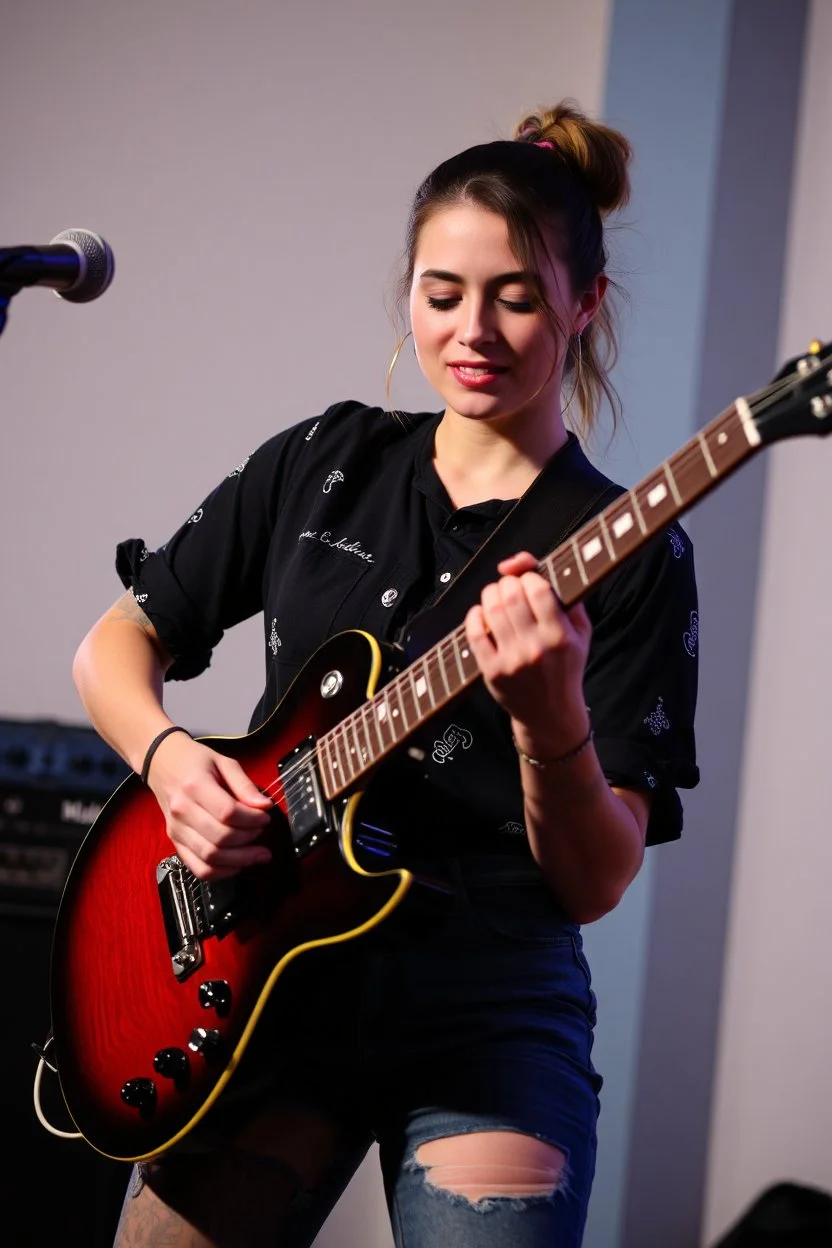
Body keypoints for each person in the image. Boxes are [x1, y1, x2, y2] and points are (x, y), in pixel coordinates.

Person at [72, 101, 699, 1248]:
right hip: (262, 987)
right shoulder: (324, 460)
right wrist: (170, 766)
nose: (472, 330)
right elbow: (115, 645)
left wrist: (548, 718)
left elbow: (597, 878)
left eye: (515, 296)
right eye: (440, 293)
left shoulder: (629, 547)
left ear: (584, 304)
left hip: (489, 1010)